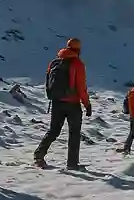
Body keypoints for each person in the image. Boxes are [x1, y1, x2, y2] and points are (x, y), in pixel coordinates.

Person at [33, 38, 92, 170]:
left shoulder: (54, 62)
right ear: (78, 49)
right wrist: (87, 104)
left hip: (57, 102)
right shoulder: (78, 64)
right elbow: (81, 88)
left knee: (53, 131)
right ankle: (72, 163)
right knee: (74, 134)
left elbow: (48, 82)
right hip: (73, 105)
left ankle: (39, 155)